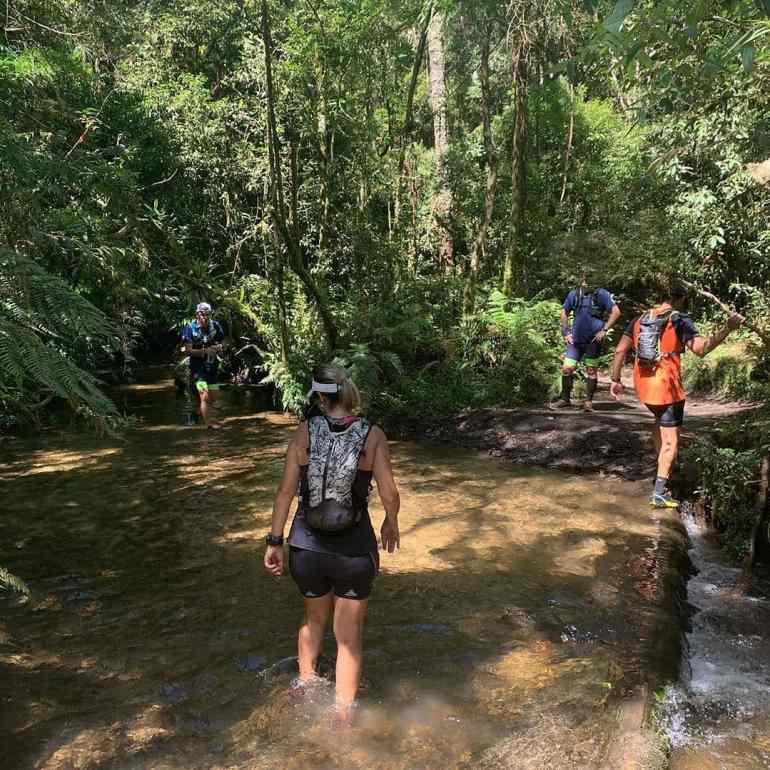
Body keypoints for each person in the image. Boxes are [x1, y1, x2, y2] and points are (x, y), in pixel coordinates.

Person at [264, 364, 400, 727]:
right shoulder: (373, 436)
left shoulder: (304, 432)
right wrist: (392, 520)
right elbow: (389, 491)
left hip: (306, 548)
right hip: (353, 551)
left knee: (312, 619)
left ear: (321, 397)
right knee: (348, 638)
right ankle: (341, 713)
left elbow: (285, 492)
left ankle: (306, 684)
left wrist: (275, 541)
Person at [610, 293, 744, 507]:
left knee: (659, 420)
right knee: (671, 442)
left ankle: (663, 466)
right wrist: (728, 327)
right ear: (681, 298)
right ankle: (659, 493)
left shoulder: (639, 319)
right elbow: (702, 349)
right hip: (667, 389)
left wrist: (616, 379)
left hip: (644, 386)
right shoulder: (679, 319)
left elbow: (619, 350)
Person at [550, 272, 621, 412]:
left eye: (590, 277)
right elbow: (564, 312)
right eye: (585, 278)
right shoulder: (574, 294)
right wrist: (565, 332)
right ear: (581, 279)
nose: (587, 281)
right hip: (575, 340)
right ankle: (565, 399)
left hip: (594, 340)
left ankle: (588, 402)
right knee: (567, 368)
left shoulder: (601, 294)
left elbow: (616, 312)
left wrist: (605, 330)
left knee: (591, 370)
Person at [181, 302, 226, 429]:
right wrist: (204, 351)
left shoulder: (215, 326)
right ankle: (209, 425)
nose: (205, 317)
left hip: (212, 366)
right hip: (197, 368)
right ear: (197, 314)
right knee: (204, 395)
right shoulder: (189, 328)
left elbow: (224, 342)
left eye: (208, 314)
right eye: (202, 314)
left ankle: (196, 414)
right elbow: (188, 350)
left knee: (213, 396)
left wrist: (219, 347)